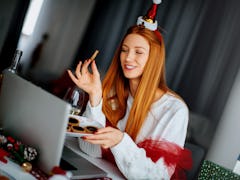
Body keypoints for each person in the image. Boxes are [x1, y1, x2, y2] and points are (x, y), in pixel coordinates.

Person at [68, 0, 192, 179]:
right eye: (124, 50)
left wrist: (120, 142)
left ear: (153, 59)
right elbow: (90, 150)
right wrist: (95, 97)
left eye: (138, 52)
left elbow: (158, 177)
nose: (128, 58)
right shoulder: (113, 93)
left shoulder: (174, 110)